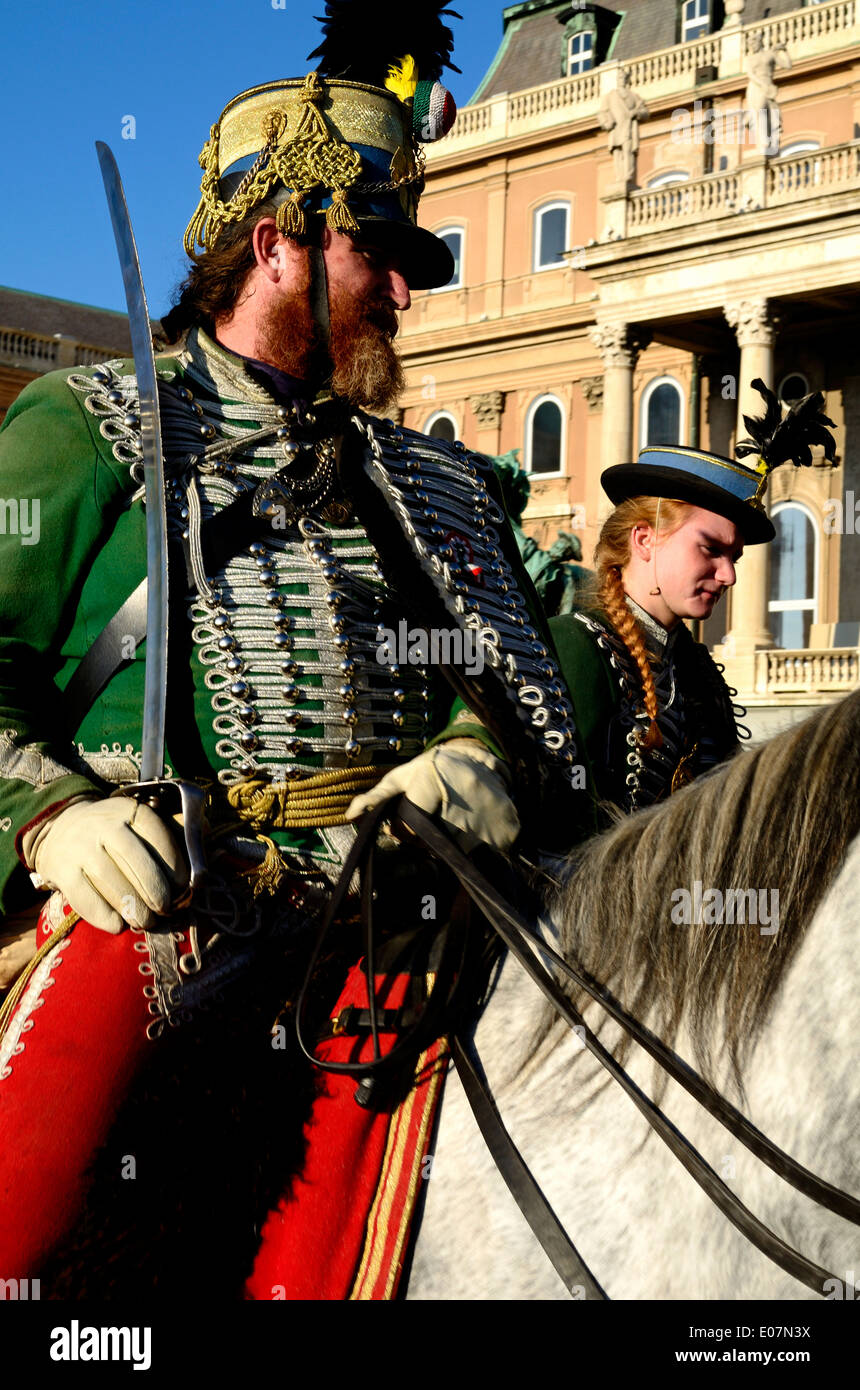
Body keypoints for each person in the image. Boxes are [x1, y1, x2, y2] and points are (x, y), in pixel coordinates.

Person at [0, 4, 593, 1299]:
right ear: (276, 241)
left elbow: (527, 696)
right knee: (38, 1154)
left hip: (403, 906)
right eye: (379, 252)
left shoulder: (431, 480)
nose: (404, 286)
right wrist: (51, 818)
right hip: (168, 905)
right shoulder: (90, 428)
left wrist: (476, 758)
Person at [550, 444, 774, 816]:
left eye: (733, 558)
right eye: (710, 548)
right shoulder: (574, 646)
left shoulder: (699, 676)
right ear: (644, 540)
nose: (729, 575)